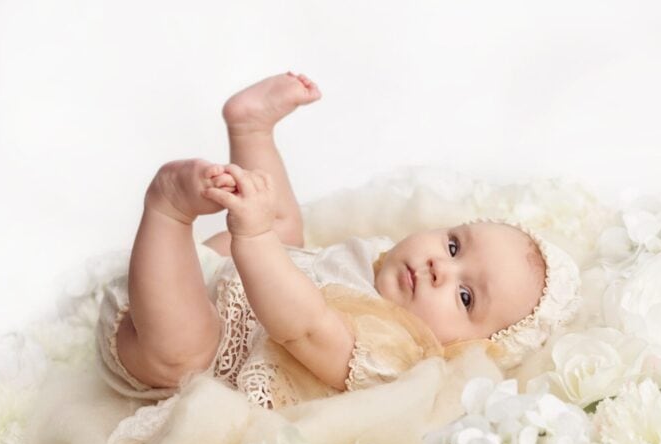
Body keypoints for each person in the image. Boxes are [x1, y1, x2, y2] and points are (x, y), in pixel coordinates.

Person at [94, 72, 581, 409]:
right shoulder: (375, 262)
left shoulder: (393, 355)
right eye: (454, 246)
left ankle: (168, 210)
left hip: (168, 338)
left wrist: (254, 236)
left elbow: (301, 326)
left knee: (186, 355)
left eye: (465, 295)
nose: (440, 268)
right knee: (288, 234)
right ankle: (251, 129)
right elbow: (289, 261)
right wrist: (264, 235)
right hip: (216, 278)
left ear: (472, 349)